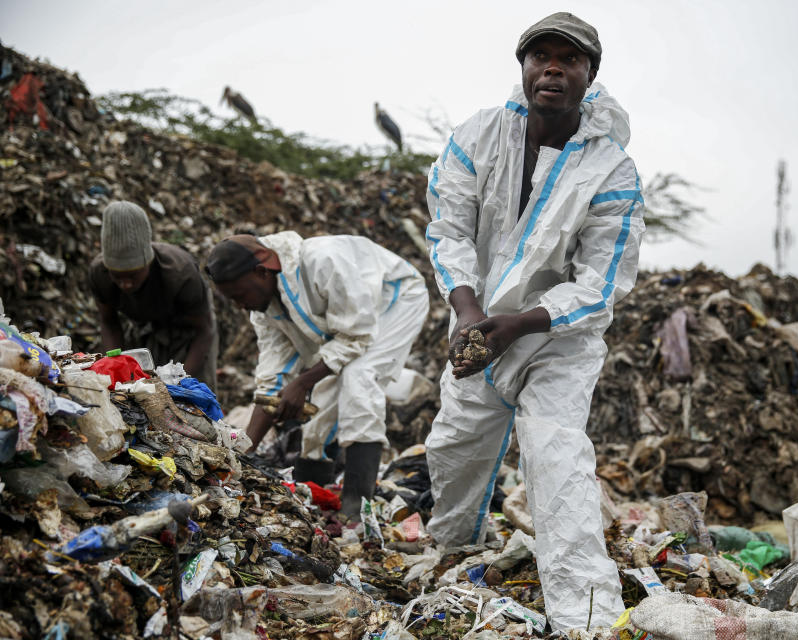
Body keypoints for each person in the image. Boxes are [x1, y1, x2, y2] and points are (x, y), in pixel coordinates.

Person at [423, 12, 644, 631]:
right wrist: (469, 312)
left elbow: (601, 283)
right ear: (522, 68)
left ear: (588, 75)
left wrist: (520, 323)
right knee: (453, 448)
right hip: (479, 327)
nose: (552, 68)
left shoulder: (611, 170)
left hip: (556, 340)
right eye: (539, 56)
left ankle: (588, 616)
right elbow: (450, 227)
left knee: (555, 461)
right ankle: (454, 552)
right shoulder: (479, 135)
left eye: (567, 59)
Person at [205, 232, 429, 517]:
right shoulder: (264, 309)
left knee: (359, 378)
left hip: (395, 300)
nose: (240, 306)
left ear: (261, 272)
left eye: (240, 296)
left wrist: (302, 382)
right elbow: (273, 378)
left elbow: (356, 337)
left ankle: (356, 510)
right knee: (323, 399)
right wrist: (241, 453)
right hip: (351, 324)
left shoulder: (323, 262)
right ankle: (313, 496)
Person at [89, 201, 218, 390]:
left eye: (133, 275)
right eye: (117, 276)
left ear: (148, 263)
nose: (125, 284)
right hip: (145, 327)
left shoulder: (181, 274)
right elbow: (109, 323)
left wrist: (181, 383)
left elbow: (204, 331)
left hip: (189, 332)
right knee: (141, 390)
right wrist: (115, 366)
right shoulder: (99, 275)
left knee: (194, 397)